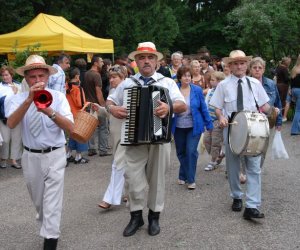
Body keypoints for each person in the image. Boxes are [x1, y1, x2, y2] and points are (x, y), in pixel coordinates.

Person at [106, 42, 186, 237]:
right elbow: (110, 101)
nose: (146, 61)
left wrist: (169, 108)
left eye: (150, 58)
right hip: (132, 138)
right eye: (141, 58)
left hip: (159, 139)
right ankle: (136, 216)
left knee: (157, 179)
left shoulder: (166, 82)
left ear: (157, 61)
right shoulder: (127, 83)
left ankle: (154, 217)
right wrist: (113, 109)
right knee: (132, 180)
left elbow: (182, 105)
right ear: (136, 62)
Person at [5, 55, 74, 250]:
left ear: (47, 77)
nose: (37, 81)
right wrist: (28, 100)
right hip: (30, 156)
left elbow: (70, 127)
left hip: (55, 154)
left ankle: (50, 240)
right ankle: (47, 228)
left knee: (52, 201)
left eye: (41, 76)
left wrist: (49, 111)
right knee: (40, 203)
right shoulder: (16, 98)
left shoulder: (59, 97)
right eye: (33, 77)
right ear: (26, 78)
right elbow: (11, 123)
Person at [210, 50, 278, 220]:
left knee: (254, 167)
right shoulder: (223, 85)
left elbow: (265, 106)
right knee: (233, 166)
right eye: (235, 63)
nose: (239, 66)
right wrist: (221, 117)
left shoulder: (255, 83)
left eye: (242, 63)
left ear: (246, 65)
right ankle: (237, 196)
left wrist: (274, 113)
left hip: (253, 128)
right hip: (232, 127)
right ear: (230, 66)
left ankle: (252, 206)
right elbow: (217, 107)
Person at [172, 66, 213, 189]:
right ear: (179, 77)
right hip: (178, 126)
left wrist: (209, 123)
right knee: (181, 152)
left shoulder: (197, 90)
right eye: (184, 75)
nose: (187, 78)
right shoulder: (174, 90)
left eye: (189, 75)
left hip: (194, 126)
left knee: (191, 151)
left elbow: (203, 108)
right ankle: (182, 174)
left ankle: (191, 179)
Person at [98, 64, 128, 209]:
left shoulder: (129, 91)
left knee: (117, 164)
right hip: (115, 134)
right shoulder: (112, 91)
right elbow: (109, 112)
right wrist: (99, 109)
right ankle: (128, 192)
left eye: (114, 77)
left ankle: (109, 198)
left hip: (126, 132)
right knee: (125, 164)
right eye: (110, 77)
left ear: (123, 77)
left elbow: (126, 111)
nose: (111, 80)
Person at [82, 56, 111, 157]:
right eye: (101, 61)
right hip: (96, 105)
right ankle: (103, 150)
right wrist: (103, 106)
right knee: (103, 127)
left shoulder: (86, 74)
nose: (103, 63)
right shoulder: (96, 75)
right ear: (95, 63)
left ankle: (92, 149)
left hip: (88, 104)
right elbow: (99, 93)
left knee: (91, 128)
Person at [0, 66, 23, 169]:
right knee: (5, 140)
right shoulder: (0, 87)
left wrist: (16, 92)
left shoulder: (19, 86)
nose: (4, 77)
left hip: (17, 117)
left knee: (16, 139)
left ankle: (14, 159)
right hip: (4, 118)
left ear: (11, 75)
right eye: (3, 75)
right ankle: (3, 158)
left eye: (6, 75)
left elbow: (22, 101)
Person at [65, 67, 89, 164]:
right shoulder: (78, 88)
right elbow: (80, 103)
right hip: (78, 115)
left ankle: (68, 154)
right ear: (77, 76)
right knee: (80, 136)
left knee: (72, 135)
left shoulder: (66, 86)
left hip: (69, 114)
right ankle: (78, 157)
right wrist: (87, 104)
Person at [203, 71, 226, 171]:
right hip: (209, 120)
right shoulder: (210, 91)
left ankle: (213, 161)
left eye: (213, 80)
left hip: (218, 120)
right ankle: (219, 154)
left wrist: (222, 118)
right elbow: (206, 104)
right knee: (206, 140)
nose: (210, 82)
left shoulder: (223, 92)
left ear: (220, 82)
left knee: (215, 142)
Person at [290, 55, 300, 135]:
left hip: (294, 90)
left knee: (297, 109)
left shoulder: (294, 68)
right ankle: (294, 130)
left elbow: (291, 81)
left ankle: (298, 127)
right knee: (298, 111)